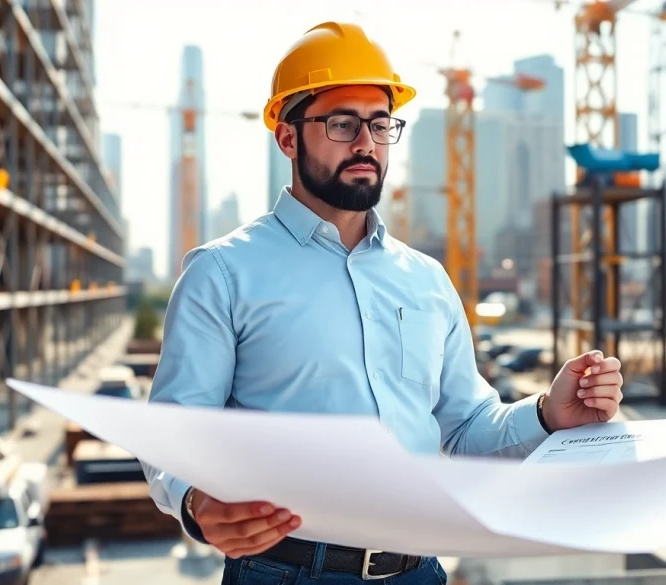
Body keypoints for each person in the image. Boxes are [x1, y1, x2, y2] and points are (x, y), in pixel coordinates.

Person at [142, 21, 625, 584]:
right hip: (287, 572)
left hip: (419, 569)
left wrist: (547, 414)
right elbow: (174, 433)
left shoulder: (426, 279)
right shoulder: (223, 273)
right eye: (342, 123)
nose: (366, 143)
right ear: (288, 138)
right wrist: (197, 502)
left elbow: (466, 427)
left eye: (379, 124)